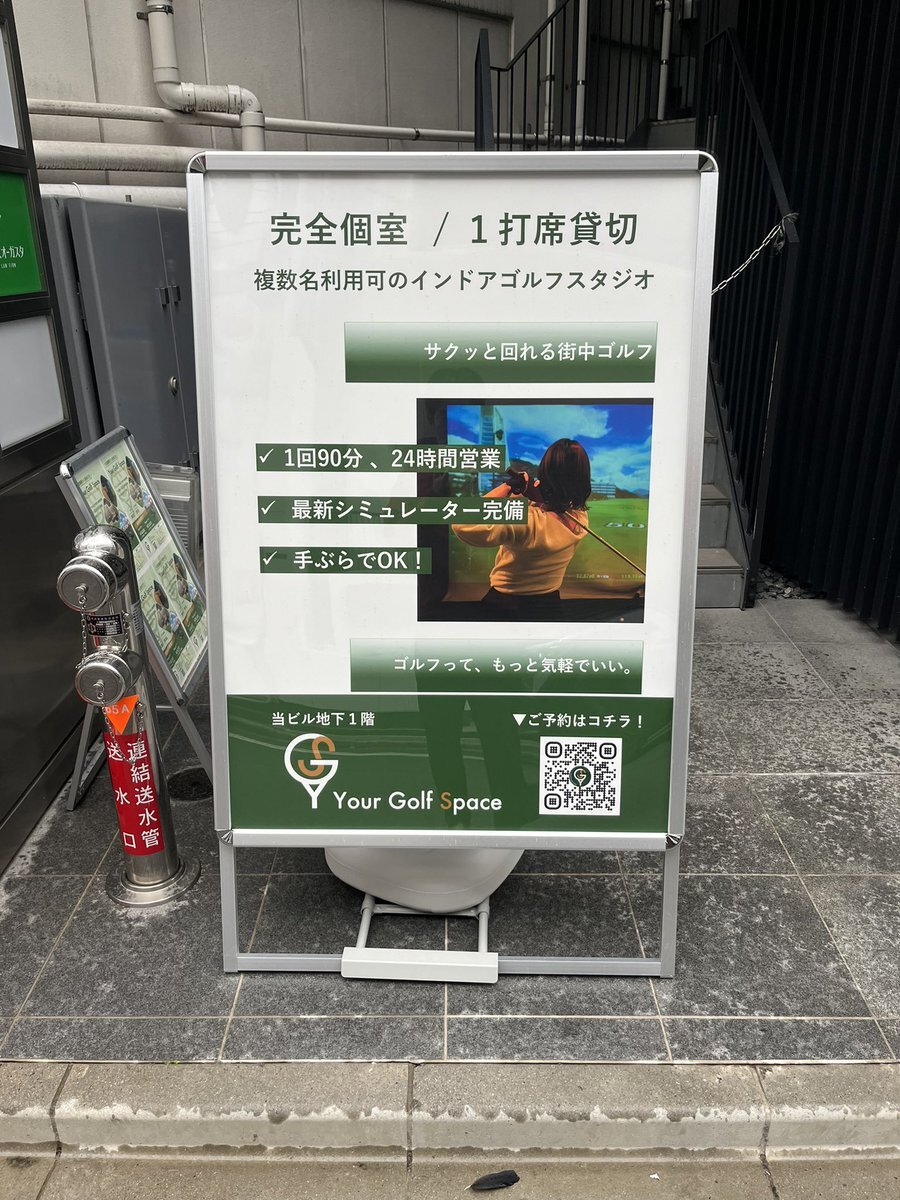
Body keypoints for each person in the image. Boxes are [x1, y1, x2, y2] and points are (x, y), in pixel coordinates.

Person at [452, 437, 590, 620]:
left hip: (506, 604)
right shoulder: (580, 517)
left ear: (545, 472)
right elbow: (552, 508)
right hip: (549, 603)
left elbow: (462, 521)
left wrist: (507, 487)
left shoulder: (527, 521)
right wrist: (531, 493)